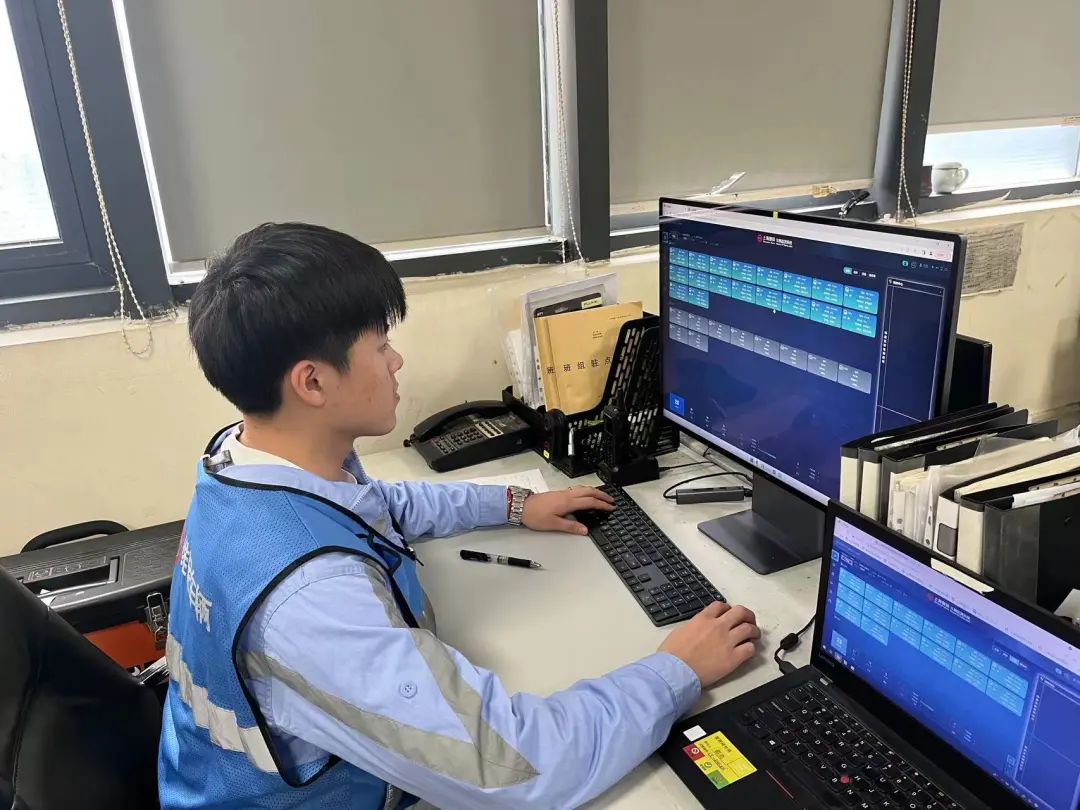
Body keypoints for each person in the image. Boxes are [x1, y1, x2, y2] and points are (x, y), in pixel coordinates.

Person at [159, 223, 761, 810]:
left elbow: (381, 506)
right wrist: (675, 671)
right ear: (312, 382)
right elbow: (518, 770)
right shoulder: (313, 602)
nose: (396, 361)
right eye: (380, 345)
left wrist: (517, 505)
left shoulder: (244, 461)